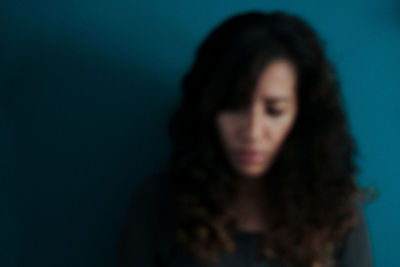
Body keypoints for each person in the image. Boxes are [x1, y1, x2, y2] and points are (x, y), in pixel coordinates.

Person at [117, 11, 374, 267]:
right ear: (209, 108)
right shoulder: (157, 204)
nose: (252, 131)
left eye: (274, 111)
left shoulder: (335, 209)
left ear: (301, 115)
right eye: (233, 106)